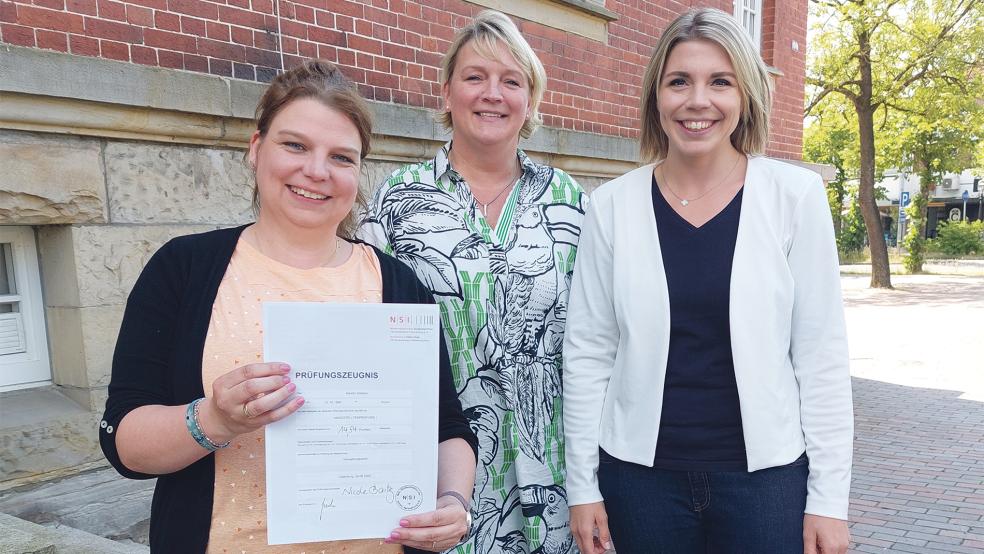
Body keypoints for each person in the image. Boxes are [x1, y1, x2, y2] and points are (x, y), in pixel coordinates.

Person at [99, 59, 477, 553]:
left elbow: (446, 425)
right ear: (256, 149)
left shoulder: (397, 284)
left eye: (342, 157)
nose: (316, 171)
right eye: (295, 145)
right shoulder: (184, 270)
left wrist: (452, 502)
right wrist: (215, 419)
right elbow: (124, 442)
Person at [562, 8, 853, 554]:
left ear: (744, 96)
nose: (698, 101)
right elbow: (588, 353)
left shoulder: (795, 198)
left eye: (720, 81)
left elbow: (821, 357)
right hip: (640, 482)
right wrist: (583, 487)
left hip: (765, 484)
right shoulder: (612, 207)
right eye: (679, 82)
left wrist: (828, 501)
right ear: (656, 96)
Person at [359, 10, 585, 554]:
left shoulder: (570, 202)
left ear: (529, 100)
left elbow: (598, 342)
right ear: (446, 92)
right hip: (439, 471)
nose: (493, 94)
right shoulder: (397, 200)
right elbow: (367, 333)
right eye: (475, 77)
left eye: (512, 81)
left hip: (551, 470)